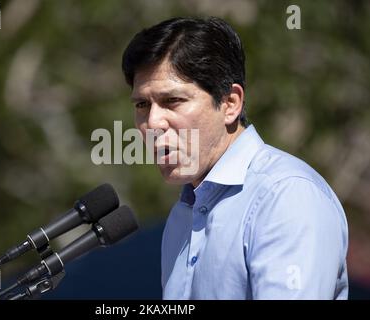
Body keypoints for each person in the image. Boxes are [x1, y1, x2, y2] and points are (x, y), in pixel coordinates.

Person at [121, 17, 348, 299]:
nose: (153, 123)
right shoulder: (184, 212)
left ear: (230, 104)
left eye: (173, 101)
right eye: (142, 104)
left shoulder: (286, 196)